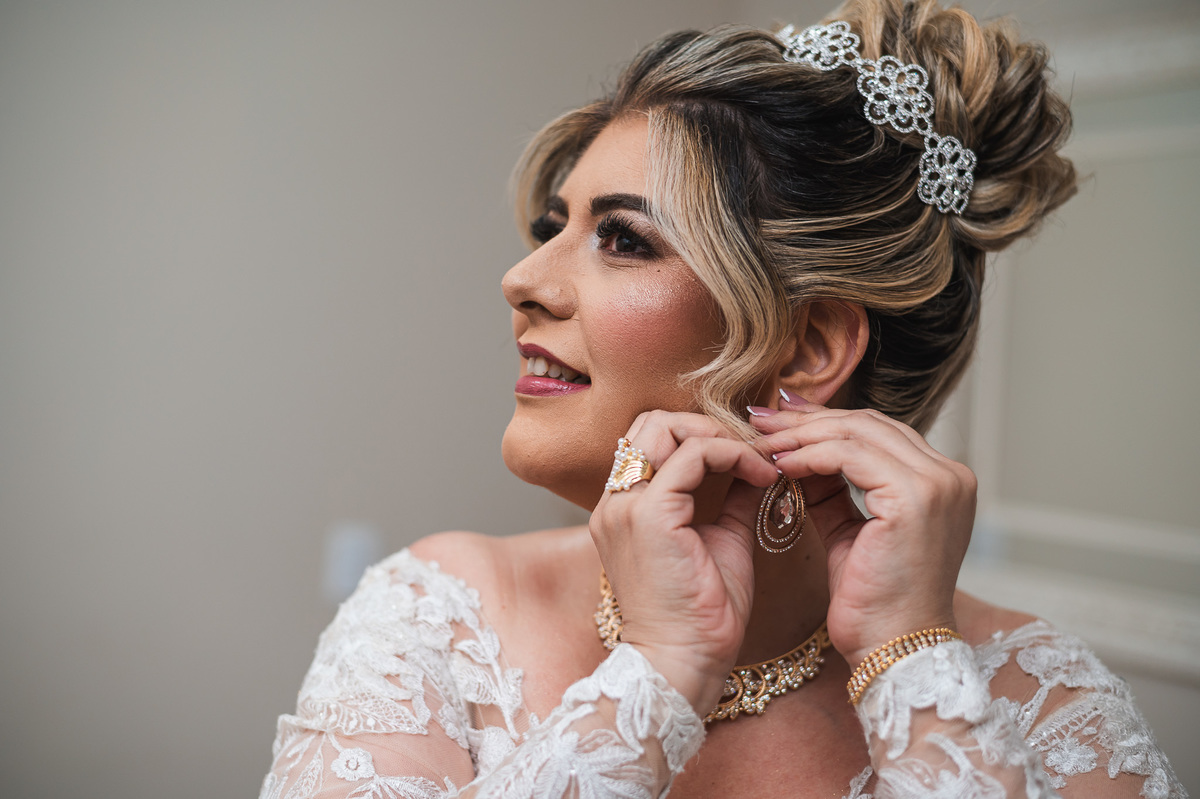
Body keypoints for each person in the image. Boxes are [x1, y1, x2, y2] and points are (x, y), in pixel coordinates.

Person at [260, 1, 1186, 797]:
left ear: (809, 348)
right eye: (552, 227)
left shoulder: (1039, 699)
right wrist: (658, 670)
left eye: (623, 239)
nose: (522, 279)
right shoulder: (437, 615)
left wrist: (912, 662)